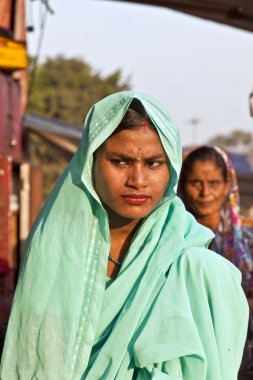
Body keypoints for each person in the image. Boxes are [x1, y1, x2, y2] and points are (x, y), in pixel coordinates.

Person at [0, 92, 249, 380]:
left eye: (154, 163)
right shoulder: (55, 250)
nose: (138, 180)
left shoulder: (199, 272)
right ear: (90, 163)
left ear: (171, 170)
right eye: (120, 161)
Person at [178, 145, 253, 374]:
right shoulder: (173, 237)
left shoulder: (248, 237)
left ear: (227, 185)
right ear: (182, 185)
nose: (205, 193)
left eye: (214, 183)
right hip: (188, 356)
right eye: (196, 183)